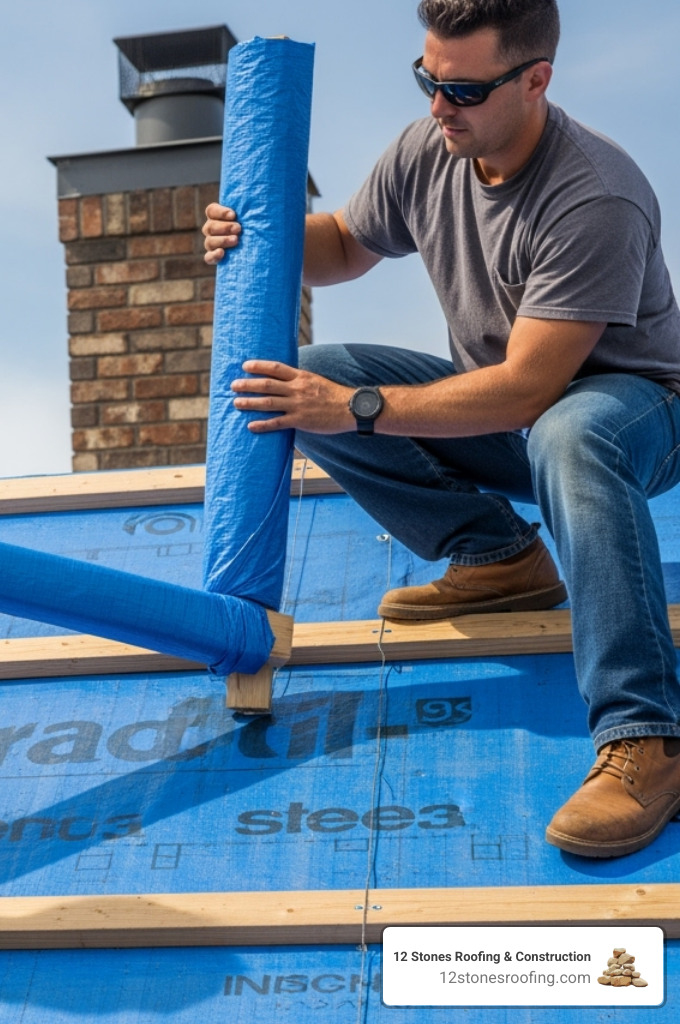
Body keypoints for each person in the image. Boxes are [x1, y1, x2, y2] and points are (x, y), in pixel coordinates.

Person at [203, 0, 680, 859]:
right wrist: (262, 236)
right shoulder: (434, 146)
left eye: (460, 89)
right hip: (516, 415)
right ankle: (501, 559)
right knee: (312, 373)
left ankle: (646, 736)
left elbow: (533, 390)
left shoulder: (596, 195)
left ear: (535, 81)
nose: (437, 107)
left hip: (634, 413)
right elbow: (347, 243)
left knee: (567, 432)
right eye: (426, 79)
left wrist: (356, 411)